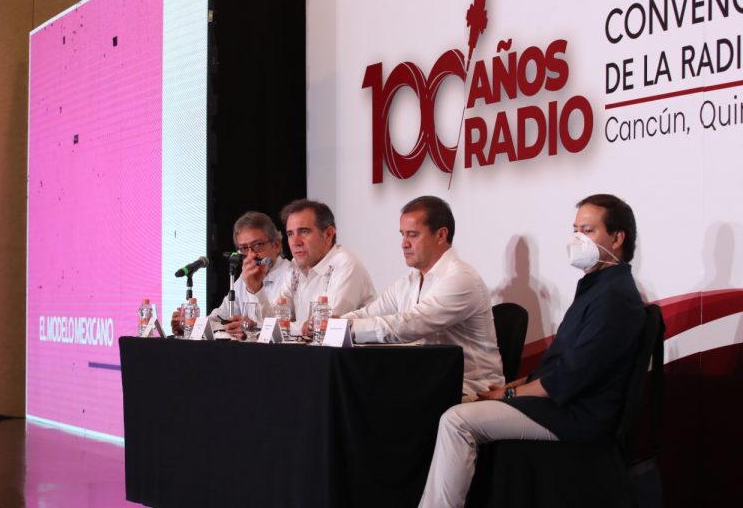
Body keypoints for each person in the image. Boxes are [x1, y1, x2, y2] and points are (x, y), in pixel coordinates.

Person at [418, 194, 646, 508]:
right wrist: (511, 386)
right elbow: (559, 365)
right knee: (457, 408)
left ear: (617, 238)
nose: (578, 238)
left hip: (576, 416)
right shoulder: (598, 287)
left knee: (457, 421)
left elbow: (570, 377)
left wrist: (510, 396)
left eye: (589, 230)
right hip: (563, 406)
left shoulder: (615, 297)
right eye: (575, 229)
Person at [343, 195, 503, 398]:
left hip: (470, 388)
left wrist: (342, 329)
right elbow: (368, 314)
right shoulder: (408, 281)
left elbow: (406, 327)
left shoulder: (461, 279)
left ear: (441, 235)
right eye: (402, 235)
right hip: (427, 380)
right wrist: (334, 323)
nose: (404, 244)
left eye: (413, 235)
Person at [244, 199, 376, 337]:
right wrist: (257, 289)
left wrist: (291, 327)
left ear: (328, 234)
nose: (295, 242)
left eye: (304, 231)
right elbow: (276, 320)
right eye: (290, 234)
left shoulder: (346, 265)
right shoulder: (295, 266)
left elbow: (325, 327)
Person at [171, 211, 289, 338]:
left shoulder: (292, 274)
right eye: (244, 248)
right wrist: (191, 324)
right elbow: (217, 319)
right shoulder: (243, 279)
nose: (251, 255)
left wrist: (252, 328)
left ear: (276, 245)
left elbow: (289, 330)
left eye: (258, 245)